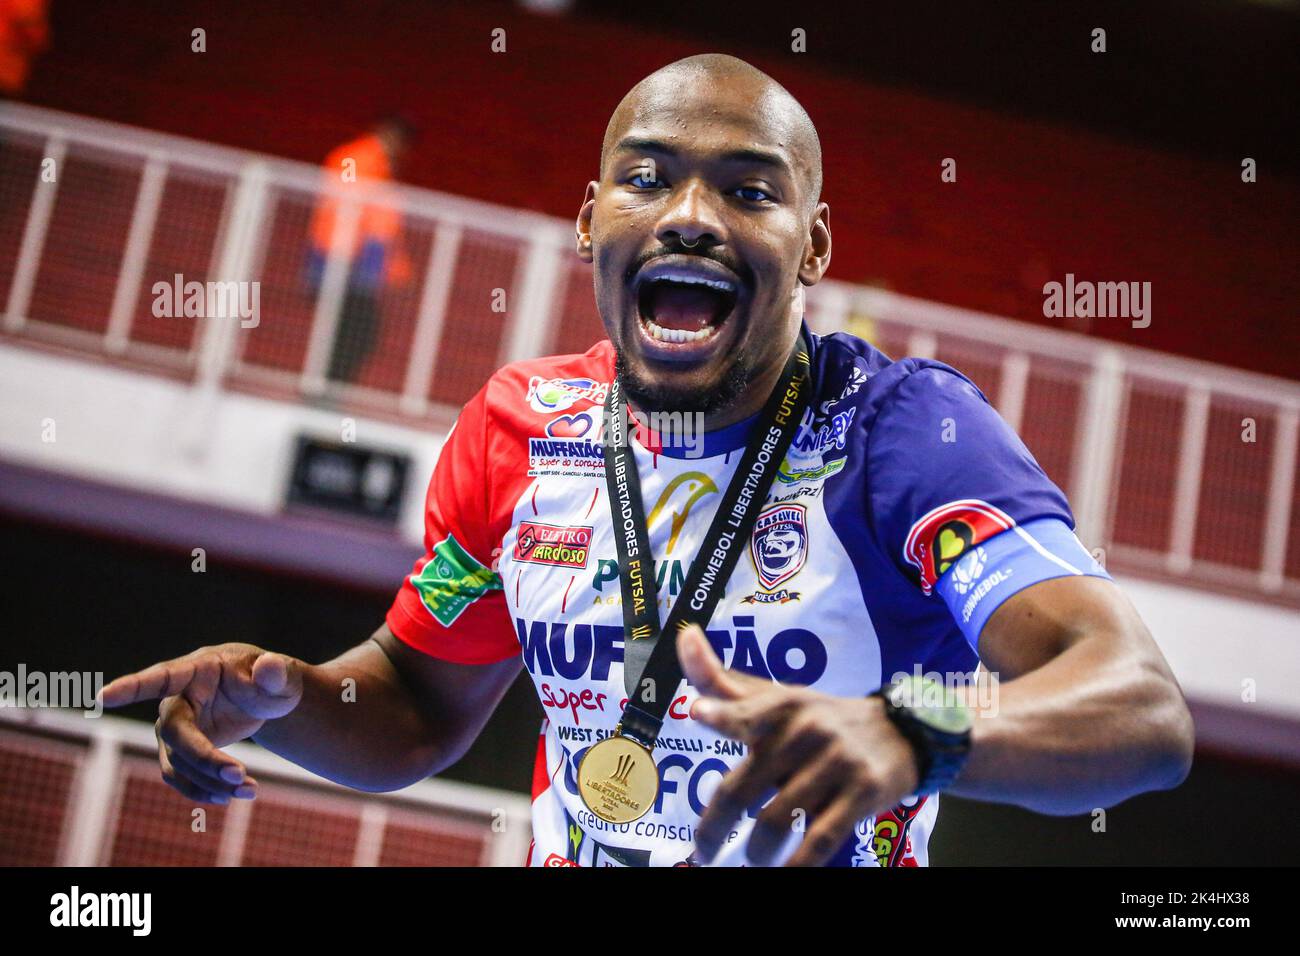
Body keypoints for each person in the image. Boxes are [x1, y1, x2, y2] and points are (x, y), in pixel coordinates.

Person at [102, 55, 1193, 867]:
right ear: (590, 221)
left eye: (749, 191)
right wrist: (282, 695)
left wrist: (918, 729)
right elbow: (418, 702)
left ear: (812, 247)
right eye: (647, 178)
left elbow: (1139, 709)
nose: (689, 217)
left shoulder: (903, 432)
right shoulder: (517, 426)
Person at [306, 116, 414, 386]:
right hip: (341, 259)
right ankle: (327, 388)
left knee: (353, 331)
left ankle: (329, 388)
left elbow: (383, 224)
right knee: (355, 330)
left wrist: (395, 269)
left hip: (350, 259)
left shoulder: (373, 165)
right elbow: (361, 217)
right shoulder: (359, 160)